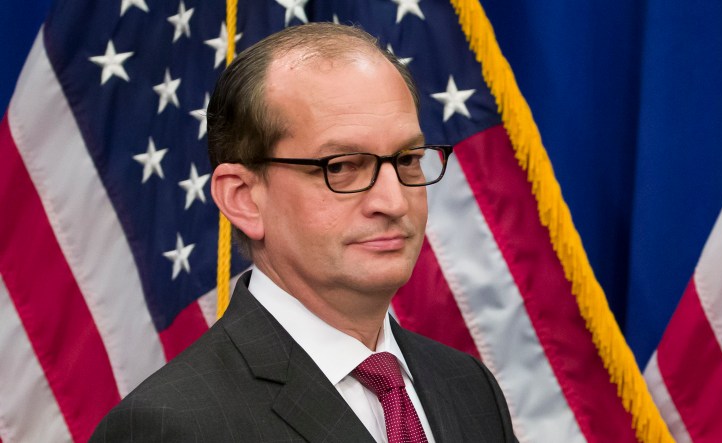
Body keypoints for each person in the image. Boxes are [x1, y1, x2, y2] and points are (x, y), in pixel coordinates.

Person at [90, 22, 517, 442]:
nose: (394, 201)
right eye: (342, 166)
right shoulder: (169, 426)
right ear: (243, 198)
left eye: (407, 159)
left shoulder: (469, 386)